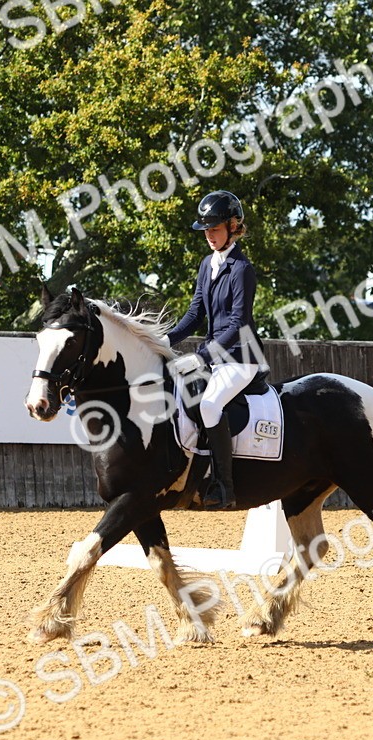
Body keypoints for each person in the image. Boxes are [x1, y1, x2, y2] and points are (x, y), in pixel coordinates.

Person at [166, 190, 264, 510]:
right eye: (205, 230)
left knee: (208, 406)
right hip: (213, 356)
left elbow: (238, 323)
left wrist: (203, 356)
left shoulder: (241, 269)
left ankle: (225, 486)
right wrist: (166, 341)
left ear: (233, 226)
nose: (209, 235)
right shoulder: (207, 264)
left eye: (215, 228)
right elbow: (195, 314)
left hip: (240, 357)